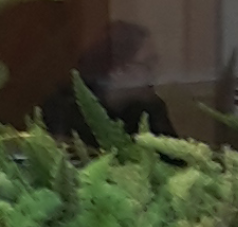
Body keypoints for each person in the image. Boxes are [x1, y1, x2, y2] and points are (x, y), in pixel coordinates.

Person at [43, 20, 176, 145]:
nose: (155, 73)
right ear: (117, 70)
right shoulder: (65, 109)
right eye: (148, 64)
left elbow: (173, 157)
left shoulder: (151, 108)